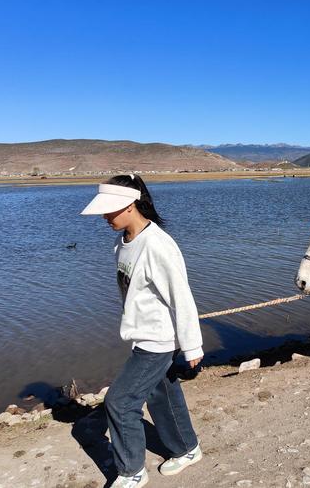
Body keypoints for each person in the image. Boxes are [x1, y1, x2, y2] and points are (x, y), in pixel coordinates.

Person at [81, 174, 204, 488]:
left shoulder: (158, 246)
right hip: (143, 336)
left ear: (131, 205)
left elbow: (182, 298)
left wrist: (192, 349)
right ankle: (187, 449)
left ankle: (131, 471)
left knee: (120, 403)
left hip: (158, 341)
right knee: (162, 393)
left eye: (110, 210)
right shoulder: (123, 241)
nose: (105, 217)